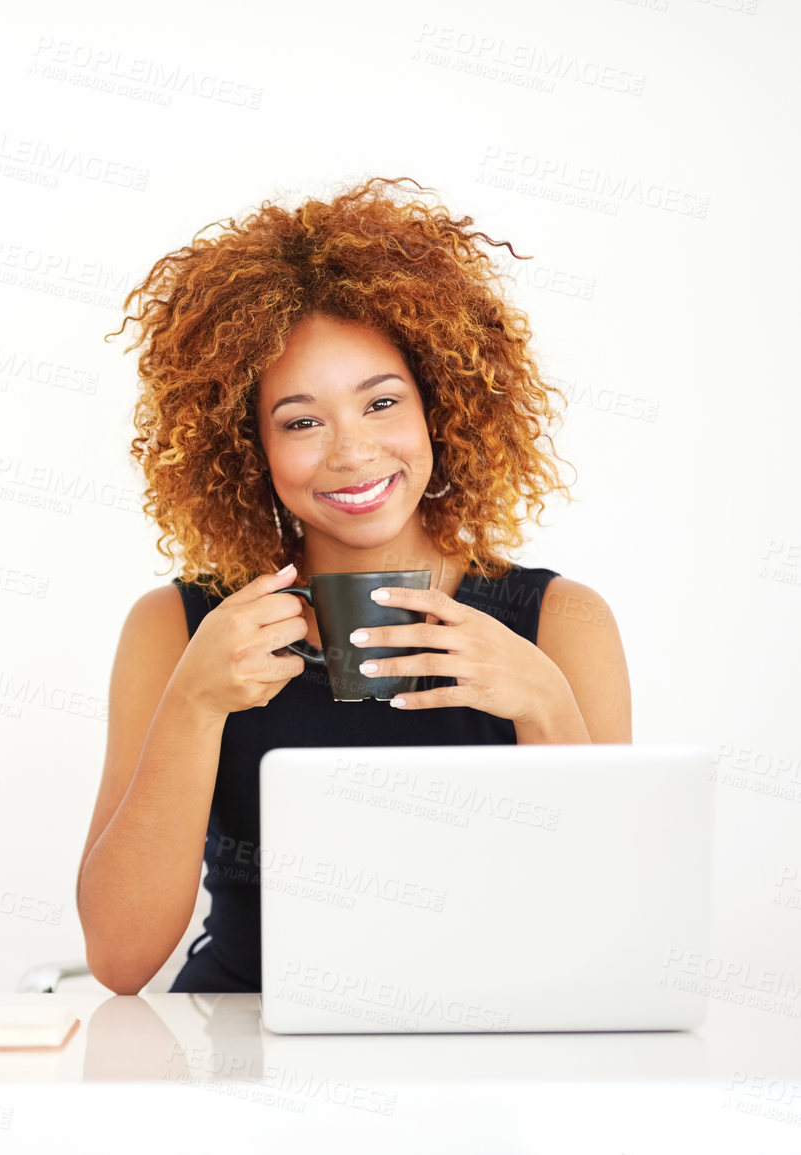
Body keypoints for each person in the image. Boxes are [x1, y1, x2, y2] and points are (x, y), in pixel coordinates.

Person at [75, 176, 632, 996]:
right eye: (301, 420)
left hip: (483, 1045)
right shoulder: (176, 626)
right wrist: (193, 702)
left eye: (380, 403)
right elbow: (120, 960)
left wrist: (543, 703)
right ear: (248, 447)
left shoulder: (560, 621)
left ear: (438, 406)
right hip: (241, 1043)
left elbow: (610, 936)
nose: (352, 451)